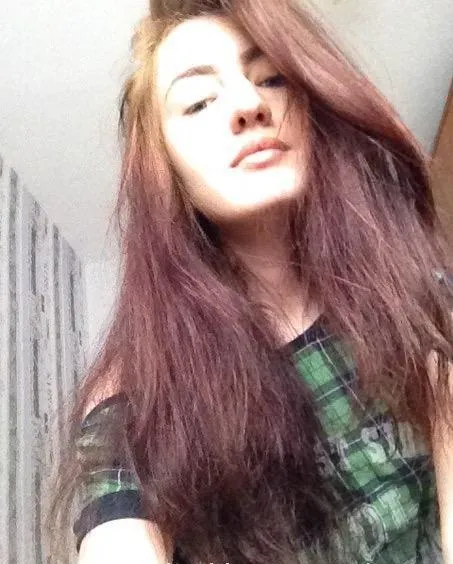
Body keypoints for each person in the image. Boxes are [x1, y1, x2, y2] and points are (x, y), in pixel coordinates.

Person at [47, 1, 453, 563]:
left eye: (271, 79)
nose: (248, 105)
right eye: (198, 102)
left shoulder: (405, 283)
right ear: (165, 170)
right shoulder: (139, 395)